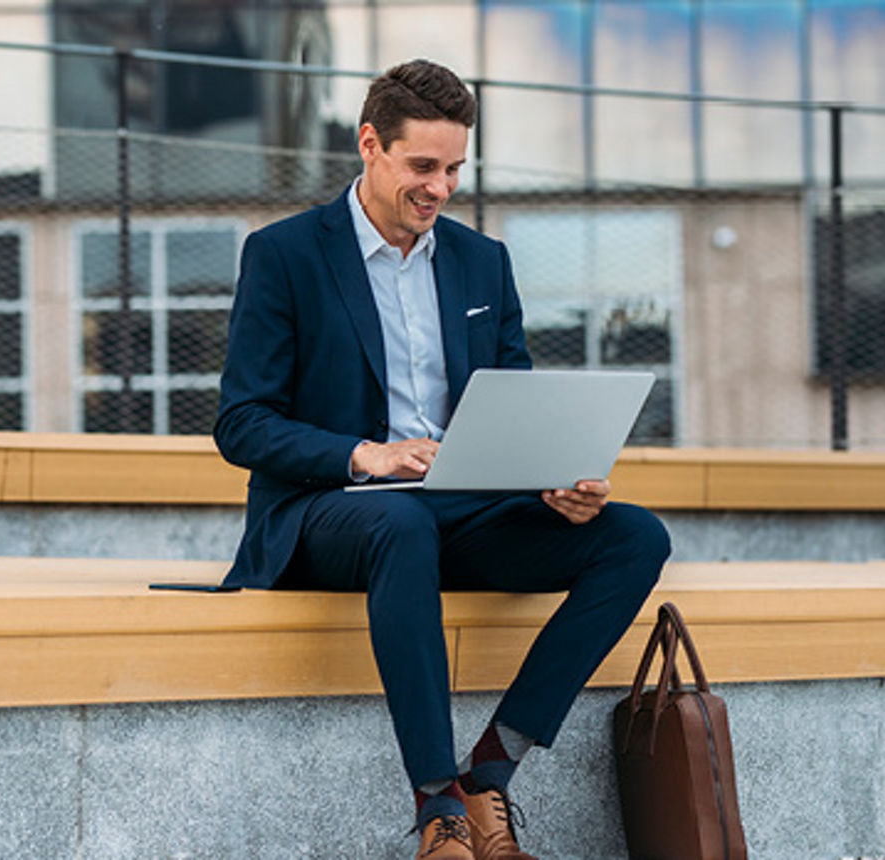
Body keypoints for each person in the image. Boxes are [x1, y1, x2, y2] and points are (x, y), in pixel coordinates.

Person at [213, 59, 670, 860]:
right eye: (423, 166)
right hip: (332, 509)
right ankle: (438, 808)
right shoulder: (285, 254)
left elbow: (514, 403)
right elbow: (241, 425)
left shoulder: (480, 261)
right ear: (370, 145)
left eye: (455, 168)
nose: (441, 187)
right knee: (399, 523)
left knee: (636, 537)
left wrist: (554, 480)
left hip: (461, 508)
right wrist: (368, 455)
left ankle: (490, 772)